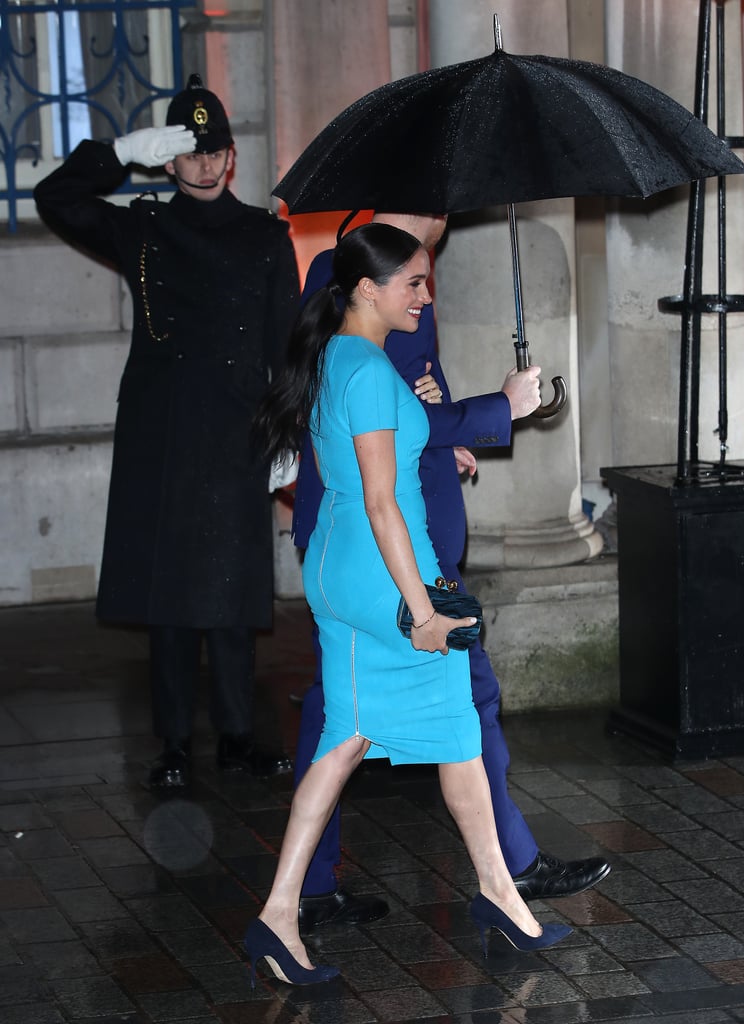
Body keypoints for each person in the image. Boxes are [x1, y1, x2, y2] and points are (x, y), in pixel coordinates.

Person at [246, 222, 572, 985]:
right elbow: (385, 503)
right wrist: (422, 607)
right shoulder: (364, 369)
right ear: (367, 287)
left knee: (353, 735)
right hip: (387, 572)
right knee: (442, 723)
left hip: (337, 564)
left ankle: (281, 913)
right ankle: (496, 893)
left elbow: (362, 469)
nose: (425, 295)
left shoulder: (336, 355)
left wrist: (424, 415)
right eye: (412, 283)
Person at [34, 75, 300, 791]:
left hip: (239, 430)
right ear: (167, 161)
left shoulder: (267, 237)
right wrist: (117, 152)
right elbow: (54, 200)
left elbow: (285, 341)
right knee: (171, 598)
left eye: (215, 150)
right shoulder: (145, 229)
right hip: (165, 436)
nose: (205, 165)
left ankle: (239, 736)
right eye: (188, 152)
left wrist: (289, 431)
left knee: (236, 596)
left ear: (233, 156)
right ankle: (176, 743)